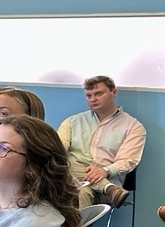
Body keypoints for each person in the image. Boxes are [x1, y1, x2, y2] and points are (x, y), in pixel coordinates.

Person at [58, 75, 145, 208]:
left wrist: (104, 171)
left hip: (105, 178)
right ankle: (108, 188)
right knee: (65, 169)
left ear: (113, 92)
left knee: (78, 191)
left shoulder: (133, 127)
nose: (93, 99)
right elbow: (56, 149)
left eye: (98, 94)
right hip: (69, 179)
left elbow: (128, 160)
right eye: (89, 95)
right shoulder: (72, 122)